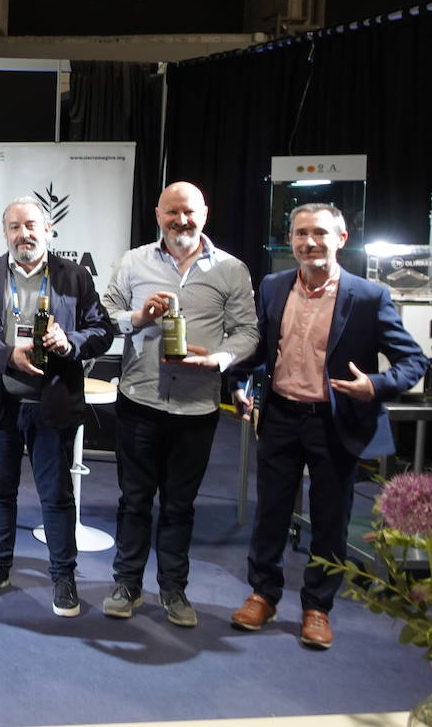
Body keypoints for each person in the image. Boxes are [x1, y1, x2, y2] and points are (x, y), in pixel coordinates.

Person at [229, 203, 427, 648]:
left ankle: (317, 606)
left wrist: (374, 385)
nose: (308, 242)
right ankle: (263, 594)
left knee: (330, 517)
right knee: (271, 512)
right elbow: (260, 347)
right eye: (300, 233)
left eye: (319, 233)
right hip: (279, 415)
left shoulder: (369, 297)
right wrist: (238, 378)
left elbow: (415, 361)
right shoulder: (274, 285)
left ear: (341, 239)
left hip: (334, 421)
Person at [99, 181, 259, 627]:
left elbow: (248, 332)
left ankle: (174, 590)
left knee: (179, 505)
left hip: (196, 408)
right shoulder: (135, 262)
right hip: (139, 399)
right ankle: (126, 583)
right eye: (171, 213)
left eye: (188, 212)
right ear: (157, 214)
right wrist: (138, 317)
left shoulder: (232, 270)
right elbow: (104, 312)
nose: (180, 221)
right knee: (133, 500)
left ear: (204, 213)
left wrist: (219, 359)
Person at [0, 197, 114, 616]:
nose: (24, 234)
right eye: (15, 227)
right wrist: (7, 354)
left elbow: (102, 330)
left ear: (48, 230)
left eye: (31, 226)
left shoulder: (74, 276)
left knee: (56, 496)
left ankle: (64, 577)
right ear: (5, 233)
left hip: (51, 405)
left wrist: (70, 342)